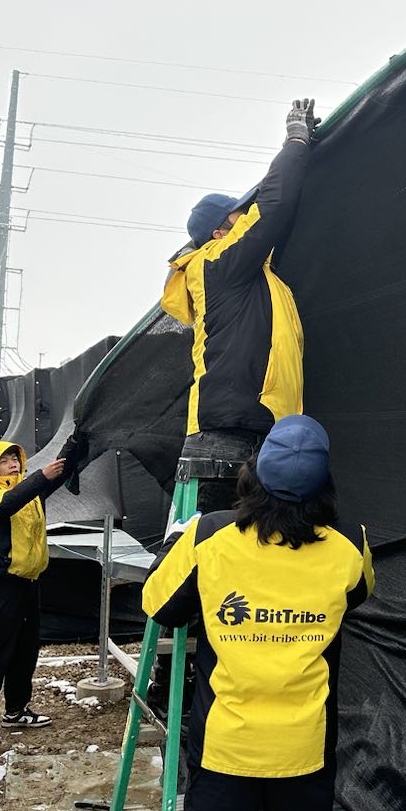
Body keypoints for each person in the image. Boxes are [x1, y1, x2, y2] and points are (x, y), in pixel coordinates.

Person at [142, 414, 374, 811]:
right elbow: (359, 594)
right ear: (324, 485)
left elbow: (160, 604)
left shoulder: (209, 536)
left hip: (227, 744)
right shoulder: (347, 550)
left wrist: (173, 546)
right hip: (303, 749)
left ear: (255, 474)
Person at [151, 97, 320, 709]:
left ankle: (210, 699)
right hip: (231, 440)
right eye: (237, 220)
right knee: (233, 579)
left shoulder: (235, 277)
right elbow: (273, 209)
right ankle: (212, 711)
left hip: (232, 435)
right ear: (224, 229)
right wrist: (295, 145)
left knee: (228, 577)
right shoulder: (224, 264)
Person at [0, 436, 83, 744]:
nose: (13, 464)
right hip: (5, 585)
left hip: (31, 582)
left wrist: (76, 441)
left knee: (26, 649)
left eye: (15, 459)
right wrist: (38, 478)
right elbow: (9, 503)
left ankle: (16, 709)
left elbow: (56, 473)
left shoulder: (31, 491)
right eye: (5, 461)